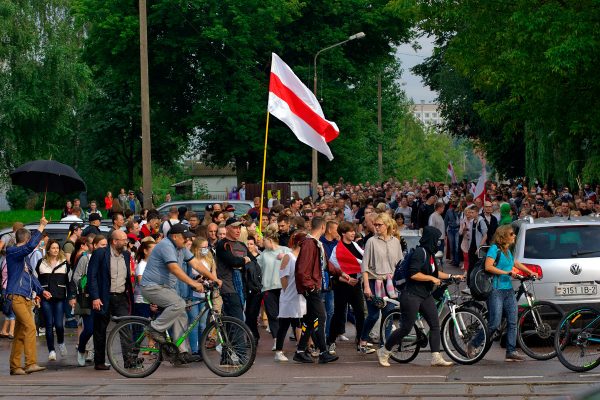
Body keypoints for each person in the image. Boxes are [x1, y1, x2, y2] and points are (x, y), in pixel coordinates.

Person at [376, 226, 456, 367]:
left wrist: (452, 276)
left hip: (425, 294)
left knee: (434, 325)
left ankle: (436, 356)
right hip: (411, 295)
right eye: (436, 239)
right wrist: (431, 279)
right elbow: (414, 274)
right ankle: (384, 351)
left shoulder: (430, 254)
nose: (438, 242)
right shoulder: (420, 253)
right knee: (406, 328)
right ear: (430, 239)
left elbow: (435, 273)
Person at [141, 224, 220, 363]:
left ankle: (180, 352)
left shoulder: (181, 248)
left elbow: (196, 264)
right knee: (179, 304)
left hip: (165, 287)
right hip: (152, 286)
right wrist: (193, 283)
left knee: (181, 313)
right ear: (175, 236)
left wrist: (214, 278)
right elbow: (174, 269)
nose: (187, 240)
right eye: (185, 237)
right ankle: (154, 329)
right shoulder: (166, 246)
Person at [476, 225, 539, 362]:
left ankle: (511, 351)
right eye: (511, 234)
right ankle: (474, 343)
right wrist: (507, 272)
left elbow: (515, 263)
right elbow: (488, 266)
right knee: (494, 323)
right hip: (496, 290)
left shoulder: (506, 250)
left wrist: (529, 272)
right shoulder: (494, 249)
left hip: (508, 290)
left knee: (512, 321)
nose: (514, 236)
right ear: (503, 236)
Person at [293, 216, 348, 364]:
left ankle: (300, 351)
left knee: (311, 319)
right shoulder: (310, 244)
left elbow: (324, 264)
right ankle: (323, 351)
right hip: (312, 287)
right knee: (321, 317)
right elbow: (302, 269)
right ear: (323, 227)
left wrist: (340, 272)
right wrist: (310, 286)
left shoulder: (316, 244)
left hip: (313, 286)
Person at [6, 216, 49, 375]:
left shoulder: (23, 257)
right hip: (16, 296)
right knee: (31, 328)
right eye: (32, 240)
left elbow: (30, 276)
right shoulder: (13, 252)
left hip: (25, 297)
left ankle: (15, 366)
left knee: (19, 333)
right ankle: (30, 363)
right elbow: (29, 247)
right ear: (27, 239)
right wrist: (41, 227)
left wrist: (41, 290)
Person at [87, 230, 135, 370]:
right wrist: (95, 297)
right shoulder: (100, 254)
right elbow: (92, 276)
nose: (126, 242)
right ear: (114, 241)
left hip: (120, 297)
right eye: (123, 239)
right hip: (103, 297)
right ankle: (100, 361)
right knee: (100, 330)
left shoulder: (126, 255)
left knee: (126, 327)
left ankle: (129, 360)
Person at [359, 213, 402, 353]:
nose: (376, 227)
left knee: (388, 314)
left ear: (387, 225)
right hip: (373, 281)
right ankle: (363, 339)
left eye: (379, 225)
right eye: (375, 224)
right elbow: (364, 266)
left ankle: (385, 346)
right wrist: (366, 286)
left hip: (389, 283)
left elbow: (399, 264)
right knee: (373, 315)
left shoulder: (396, 242)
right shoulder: (371, 241)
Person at [327, 221, 365, 354]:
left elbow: (363, 260)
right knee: (338, 314)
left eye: (354, 230)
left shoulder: (355, 245)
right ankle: (330, 341)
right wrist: (347, 280)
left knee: (360, 313)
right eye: (350, 231)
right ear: (343, 233)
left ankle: (361, 341)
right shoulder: (337, 249)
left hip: (356, 284)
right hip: (342, 285)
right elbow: (333, 270)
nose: (353, 233)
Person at [69, 235, 107, 366]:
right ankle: (81, 349)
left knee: (101, 329)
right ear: (95, 246)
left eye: (106, 245)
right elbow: (76, 277)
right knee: (89, 328)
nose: (105, 248)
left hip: (103, 297)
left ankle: (95, 354)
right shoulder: (85, 258)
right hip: (87, 297)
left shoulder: (108, 257)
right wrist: (85, 284)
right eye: (102, 245)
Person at [273, 231, 307, 362]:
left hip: (298, 297)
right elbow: (283, 276)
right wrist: (287, 292)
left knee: (298, 323)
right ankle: (279, 351)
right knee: (285, 324)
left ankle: (302, 348)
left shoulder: (300, 257)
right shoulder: (289, 256)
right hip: (289, 297)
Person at [257, 225, 291, 351]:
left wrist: (285, 257)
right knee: (272, 315)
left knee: (285, 316)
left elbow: (295, 260)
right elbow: (257, 268)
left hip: (284, 288)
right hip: (268, 288)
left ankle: (288, 338)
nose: (262, 243)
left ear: (270, 240)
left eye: (263, 240)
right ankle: (276, 341)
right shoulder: (263, 255)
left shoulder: (286, 250)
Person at [36, 240, 69, 362]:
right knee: (49, 324)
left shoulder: (64, 263)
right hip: (46, 298)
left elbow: (68, 282)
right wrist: (39, 294)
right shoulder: (41, 263)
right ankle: (51, 351)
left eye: (57, 248)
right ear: (48, 249)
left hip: (60, 298)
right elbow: (36, 280)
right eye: (53, 248)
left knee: (59, 325)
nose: (55, 250)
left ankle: (61, 342)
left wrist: (71, 297)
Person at [215, 218, 254, 321]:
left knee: (233, 320)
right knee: (238, 320)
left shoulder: (241, 245)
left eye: (239, 228)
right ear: (227, 229)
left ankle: (229, 337)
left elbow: (253, 262)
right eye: (235, 227)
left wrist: (241, 261)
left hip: (242, 287)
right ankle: (238, 338)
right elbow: (233, 261)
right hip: (228, 287)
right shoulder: (222, 245)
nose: (238, 230)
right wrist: (244, 260)